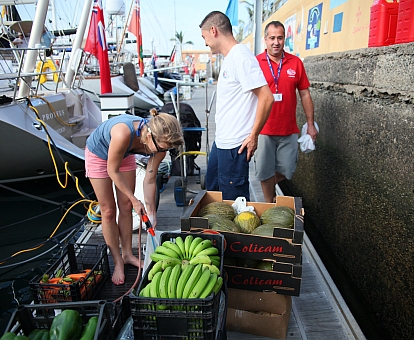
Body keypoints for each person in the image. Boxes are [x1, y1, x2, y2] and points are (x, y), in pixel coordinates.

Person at [85, 110, 184, 285]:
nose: (163, 151)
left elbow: (150, 179)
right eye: (162, 147)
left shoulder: (160, 147)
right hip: (100, 155)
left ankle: (128, 255)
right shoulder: (123, 133)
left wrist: (151, 212)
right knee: (108, 211)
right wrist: (135, 199)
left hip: (125, 154)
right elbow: (112, 170)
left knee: (125, 206)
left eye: (166, 149)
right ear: (149, 136)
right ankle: (117, 262)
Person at [199, 11, 274, 200]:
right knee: (213, 196)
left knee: (234, 204)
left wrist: (253, 135)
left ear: (213, 31)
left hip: (235, 146)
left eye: (204, 37)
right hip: (222, 143)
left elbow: (267, 97)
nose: (205, 43)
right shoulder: (230, 58)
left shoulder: (241, 57)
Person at [255, 21, 318, 203]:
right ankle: (269, 204)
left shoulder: (295, 63)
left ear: (285, 39)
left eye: (280, 38)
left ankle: (268, 191)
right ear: (265, 40)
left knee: (287, 170)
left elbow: (305, 94)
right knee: (264, 170)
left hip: (288, 129)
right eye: (272, 38)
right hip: (263, 129)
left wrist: (311, 124)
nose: (276, 42)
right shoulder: (256, 63)